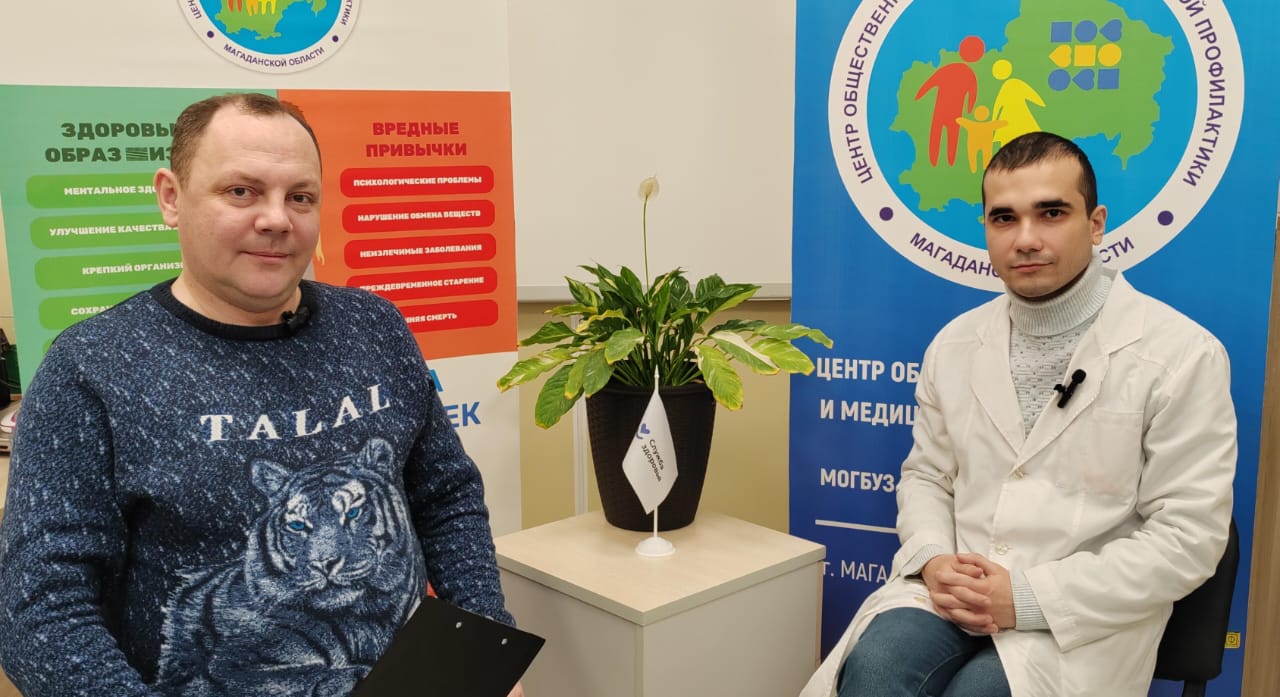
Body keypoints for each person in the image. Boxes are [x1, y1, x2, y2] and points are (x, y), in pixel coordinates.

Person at [0, 93, 524, 697]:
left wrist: (486, 655)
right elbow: (41, 610)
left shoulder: (374, 326)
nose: (277, 219)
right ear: (171, 197)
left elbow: (446, 498)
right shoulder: (92, 367)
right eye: (241, 191)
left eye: (299, 197)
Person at [800, 131, 1236, 697]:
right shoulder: (954, 344)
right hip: (954, 588)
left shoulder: (1182, 354)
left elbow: (1188, 536)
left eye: (1051, 213)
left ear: (1096, 223)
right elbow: (927, 476)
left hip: (1080, 614)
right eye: (1004, 218)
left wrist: (1027, 596)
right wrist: (933, 558)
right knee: (876, 670)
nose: (1026, 239)